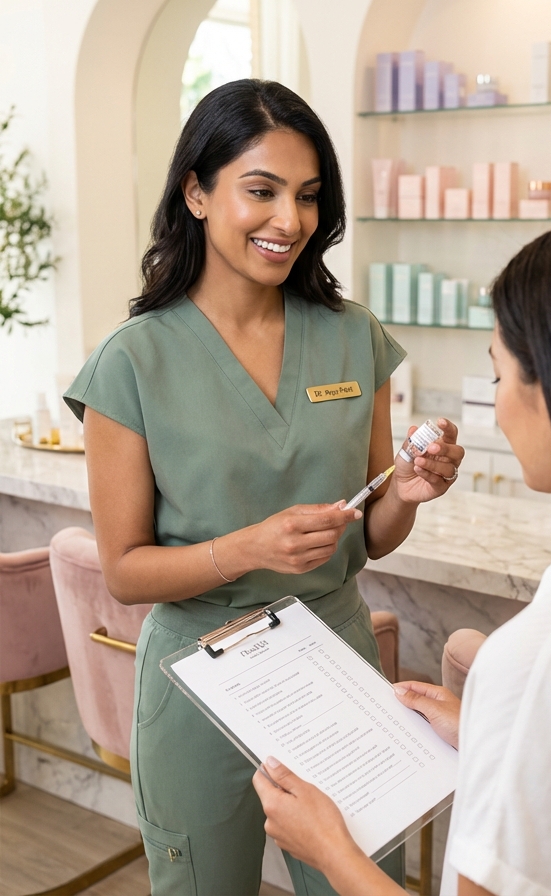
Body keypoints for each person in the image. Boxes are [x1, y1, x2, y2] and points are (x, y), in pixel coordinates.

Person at [63, 80, 463, 895]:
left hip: (334, 664)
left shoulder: (354, 338)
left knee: (358, 880)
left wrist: (405, 495)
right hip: (201, 672)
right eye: (261, 190)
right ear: (196, 193)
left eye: (308, 196)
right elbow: (125, 570)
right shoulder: (133, 362)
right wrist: (247, 548)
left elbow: (371, 531)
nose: (290, 220)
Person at [253, 218, 551, 896]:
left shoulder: (536, 658)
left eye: (497, 375)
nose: (495, 408)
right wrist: (490, 732)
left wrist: (331, 850)